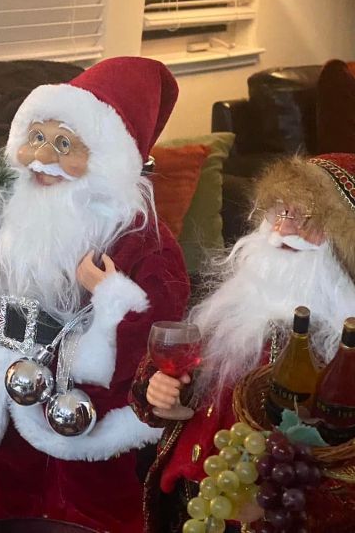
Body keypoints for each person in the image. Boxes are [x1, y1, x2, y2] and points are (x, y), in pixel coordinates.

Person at [0, 57, 190, 532]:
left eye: (64, 144)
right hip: (5, 389)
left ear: (106, 161)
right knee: (9, 499)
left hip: (89, 409)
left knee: (96, 506)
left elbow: (158, 333)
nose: (41, 157)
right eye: (36, 137)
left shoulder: (144, 241)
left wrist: (110, 295)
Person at [137, 153, 355, 532]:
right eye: (280, 212)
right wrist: (160, 394)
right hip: (191, 498)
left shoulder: (341, 348)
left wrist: (281, 494)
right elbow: (172, 374)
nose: (285, 230)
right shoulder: (234, 305)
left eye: (308, 219)